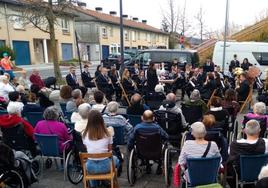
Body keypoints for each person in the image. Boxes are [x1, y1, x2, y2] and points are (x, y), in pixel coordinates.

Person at [82, 110, 120, 187]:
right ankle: (109, 181)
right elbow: (109, 150)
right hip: (106, 166)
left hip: (90, 167)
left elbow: (87, 149)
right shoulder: (108, 134)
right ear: (101, 120)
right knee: (117, 160)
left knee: (90, 163)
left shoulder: (84, 134)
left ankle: (94, 185)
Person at [227, 120, 268, 187]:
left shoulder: (235, 145)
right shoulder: (266, 143)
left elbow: (230, 158)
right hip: (261, 175)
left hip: (241, 175)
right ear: (259, 130)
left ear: (245, 131)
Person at [128, 110, 168, 174]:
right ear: (153, 118)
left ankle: (147, 165)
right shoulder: (157, 128)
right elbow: (166, 136)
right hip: (157, 151)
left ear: (142, 118)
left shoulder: (137, 128)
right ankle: (159, 166)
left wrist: (130, 147)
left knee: (144, 145)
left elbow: (131, 139)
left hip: (141, 152)